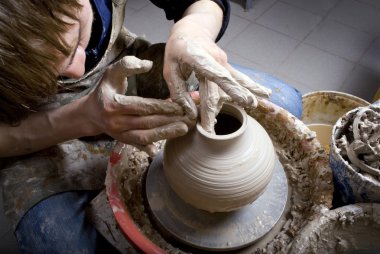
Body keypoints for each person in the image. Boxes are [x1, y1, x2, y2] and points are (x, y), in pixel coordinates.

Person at [0, 0, 270, 252]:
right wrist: (83, 117)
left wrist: (193, 30)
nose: (79, 70)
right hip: (36, 125)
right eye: (56, 71)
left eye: (75, 43)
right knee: (59, 240)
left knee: (281, 102)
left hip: (125, 69)